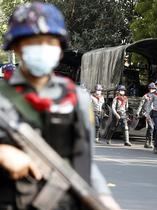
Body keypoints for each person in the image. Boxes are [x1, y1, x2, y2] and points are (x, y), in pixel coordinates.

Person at [0, 2, 120, 210]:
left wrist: (104, 198)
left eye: (50, 41)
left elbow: (84, 164)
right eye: (34, 42)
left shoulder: (77, 98)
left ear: (60, 48)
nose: (43, 48)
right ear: (17, 47)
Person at [136, 82, 156, 148]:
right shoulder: (145, 96)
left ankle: (146, 142)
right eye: (151, 88)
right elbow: (141, 104)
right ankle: (150, 142)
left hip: (154, 114)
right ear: (149, 89)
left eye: (153, 89)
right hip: (147, 113)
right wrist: (137, 112)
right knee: (151, 127)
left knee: (151, 128)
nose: (152, 90)